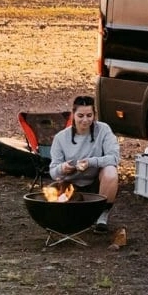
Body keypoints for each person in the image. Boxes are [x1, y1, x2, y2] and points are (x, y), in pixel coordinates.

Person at [48, 95, 121, 233]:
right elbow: (53, 172)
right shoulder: (61, 138)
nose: (85, 120)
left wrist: (91, 162)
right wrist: (63, 168)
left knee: (111, 171)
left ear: (94, 115)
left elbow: (115, 158)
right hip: (70, 185)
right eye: (80, 115)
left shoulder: (103, 130)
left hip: (96, 183)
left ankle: (102, 216)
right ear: (73, 115)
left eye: (89, 115)